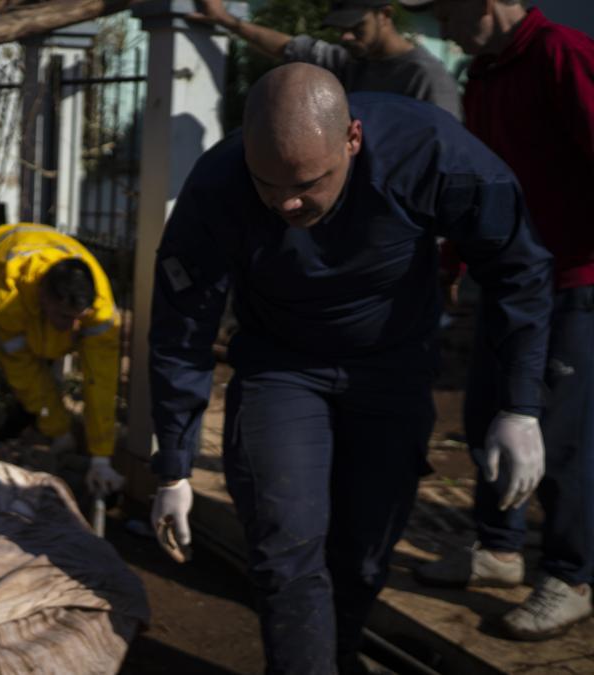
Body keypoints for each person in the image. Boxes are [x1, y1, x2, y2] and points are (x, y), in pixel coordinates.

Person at [148, 63, 552, 673]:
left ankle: (335, 655)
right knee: (285, 548)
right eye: (268, 183)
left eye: (309, 183)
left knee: (364, 556)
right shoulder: (219, 186)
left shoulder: (432, 154)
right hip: (281, 366)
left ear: (353, 140)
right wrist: (173, 467)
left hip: (391, 366)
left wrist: (519, 404)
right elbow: (182, 329)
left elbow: (518, 268)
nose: (287, 202)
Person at [403, 0, 594, 641]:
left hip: (574, 281)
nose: (441, 30)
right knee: (489, 415)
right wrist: (456, 260)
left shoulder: (561, 53)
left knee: (560, 436)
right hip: (508, 282)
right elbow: (478, 182)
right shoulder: (484, 73)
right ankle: (499, 550)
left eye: (443, 14)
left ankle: (572, 576)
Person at [0, 224, 125, 498]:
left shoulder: (99, 309)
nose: (73, 326)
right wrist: (58, 428)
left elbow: (102, 381)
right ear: (43, 297)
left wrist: (101, 456)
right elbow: (24, 372)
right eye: (64, 316)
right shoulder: (5, 297)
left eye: (78, 318)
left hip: (38, 257)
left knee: (44, 367)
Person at [189, 0, 461, 118]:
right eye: (342, 30)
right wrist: (227, 21)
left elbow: (446, 152)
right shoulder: (350, 62)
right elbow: (288, 47)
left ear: (385, 15)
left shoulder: (425, 77)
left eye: (357, 28)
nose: (347, 38)